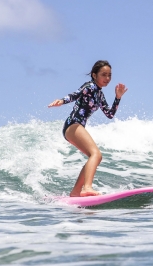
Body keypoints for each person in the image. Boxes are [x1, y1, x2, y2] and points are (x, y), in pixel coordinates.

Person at [49, 60, 127, 197]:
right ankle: (87, 187)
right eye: (104, 75)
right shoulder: (89, 86)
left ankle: (75, 192)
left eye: (109, 75)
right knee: (96, 154)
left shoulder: (100, 95)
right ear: (94, 75)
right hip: (73, 124)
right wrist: (62, 100)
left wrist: (118, 98)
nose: (107, 78)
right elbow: (76, 94)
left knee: (95, 157)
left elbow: (109, 114)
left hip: (77, 126)